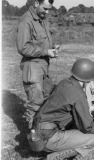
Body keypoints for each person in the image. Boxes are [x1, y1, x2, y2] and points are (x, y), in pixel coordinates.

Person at [30, 59, 94, 160]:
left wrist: (92, 108)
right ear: (88, 79)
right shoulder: (78, 94)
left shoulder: (64, 82)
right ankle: (52, 158)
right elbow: (87, 126)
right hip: (48, 137)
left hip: (37, 129)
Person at [17, 0, 61, 128]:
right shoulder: (26, 21)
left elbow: (41, 40)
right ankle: (33, 138)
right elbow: (23, 48)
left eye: (49, 9)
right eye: (45, 8)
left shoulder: (42, 19)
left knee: (46, 98)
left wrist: (53, 47)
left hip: (43, 65)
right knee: (35, 103)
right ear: (36, 3)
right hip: (32, 66)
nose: (47, 12)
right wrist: (46, 51)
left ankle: (42, 131)